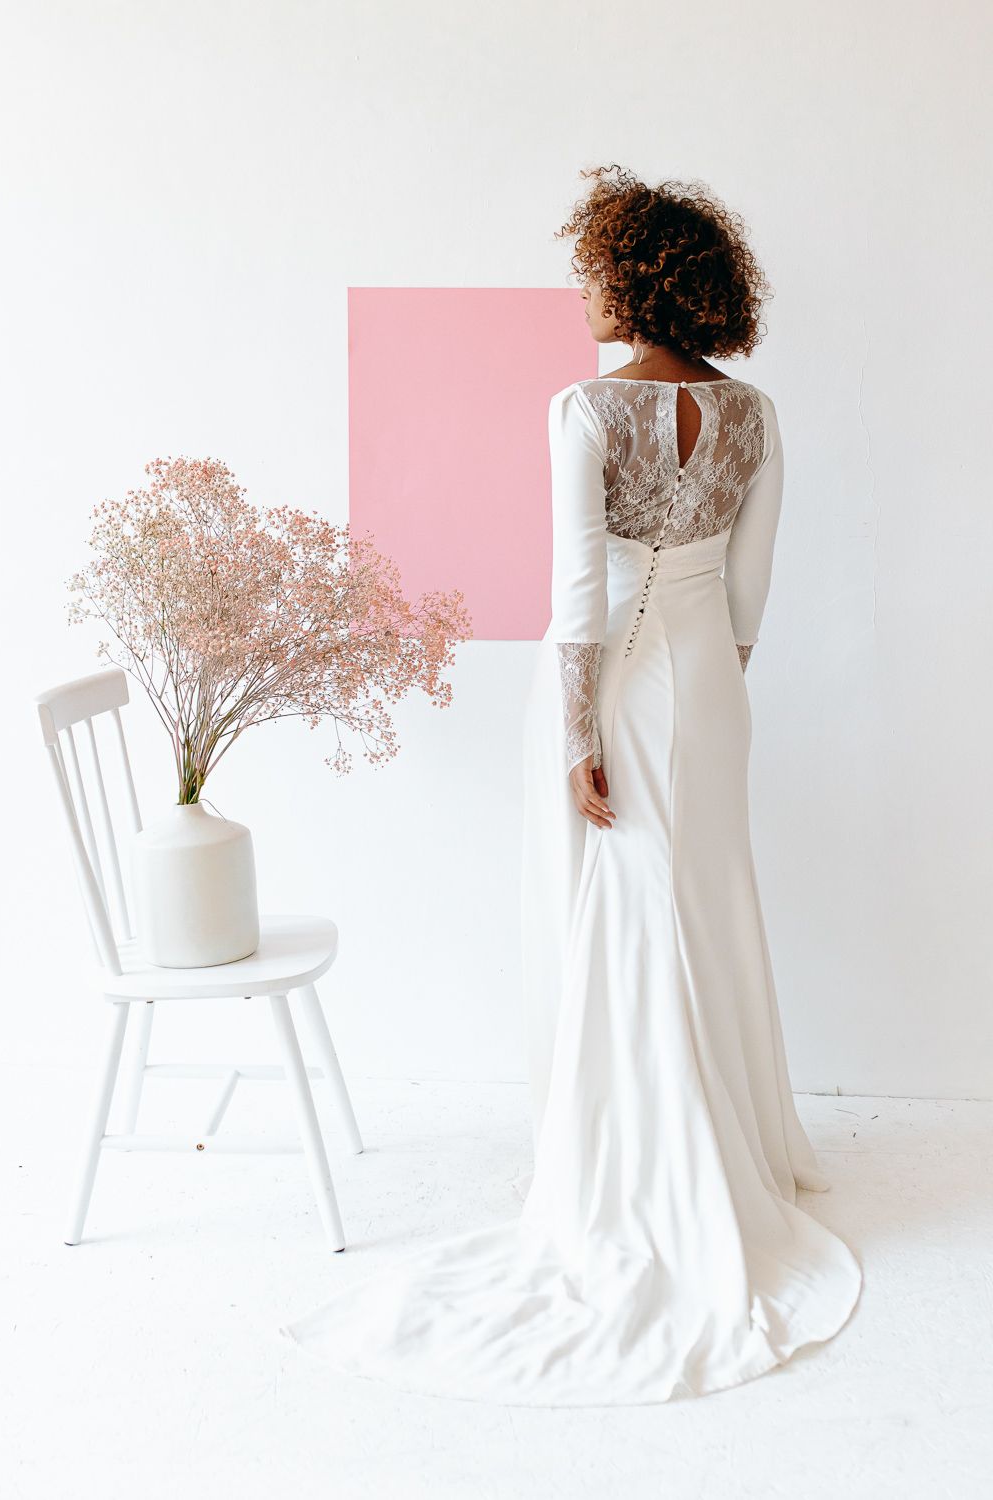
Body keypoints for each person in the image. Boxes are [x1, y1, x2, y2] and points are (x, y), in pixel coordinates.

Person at [285, 165, 863, 1405]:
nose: (583, 292)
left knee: (622, 913)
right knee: (699, 900)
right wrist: (708, 693)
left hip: (612, 683)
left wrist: (577, 736)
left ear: (633, 279)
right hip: (710, 690)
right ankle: (728, 1140)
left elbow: (575, 593)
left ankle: (639, 1160)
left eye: (594, 270)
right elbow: (748, 593)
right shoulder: (755, 415)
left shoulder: (585, 408)